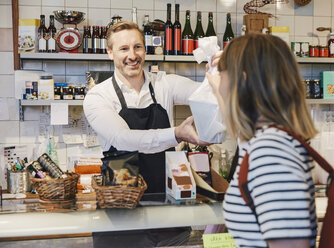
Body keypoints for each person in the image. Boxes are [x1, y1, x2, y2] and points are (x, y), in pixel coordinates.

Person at [207, 34, 318, 248]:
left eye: (223, 74)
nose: (219, 84)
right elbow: (239, 129)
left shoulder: (271, 152)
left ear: (243, 81)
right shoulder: (263, 142)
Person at [83, 21, 205, 194]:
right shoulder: (98, 96)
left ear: (144, 49)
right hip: (122, 197)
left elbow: (205, 94)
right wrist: (176, 134)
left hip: (167, 193)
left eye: (137, 47)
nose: (132, 56)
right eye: (124, 49)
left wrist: (217, 72)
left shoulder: (165, 84)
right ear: (110, 52)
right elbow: (123, 139)